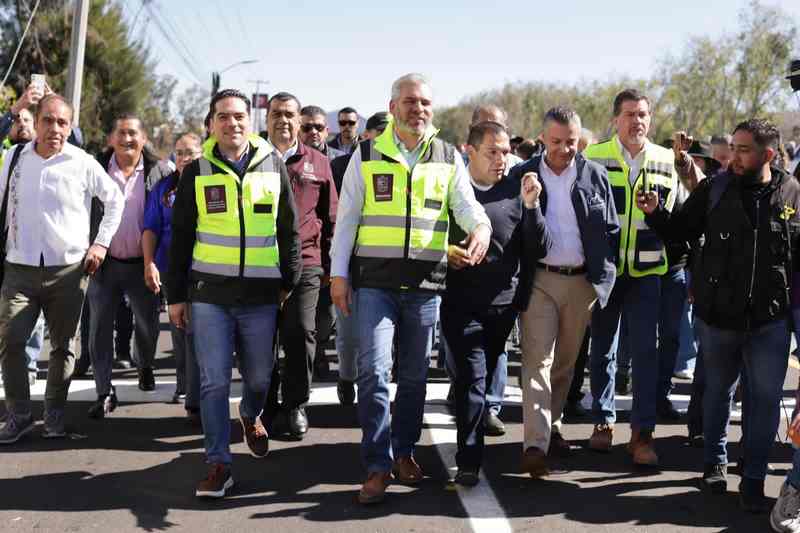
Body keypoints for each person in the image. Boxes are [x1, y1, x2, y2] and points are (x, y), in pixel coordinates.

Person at [331, 73, 491, 504]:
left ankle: (404, 451)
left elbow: (466, 205)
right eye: (409, 102)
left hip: (425, 285)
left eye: (424, 103)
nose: (418, 109)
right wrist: (338, 275)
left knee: (415, 375)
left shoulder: (447, 156)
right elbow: (347, 219)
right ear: (392, 107)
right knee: (373, 371)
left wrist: (480, 227)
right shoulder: (366, 155)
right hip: (375, 284)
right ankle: (377, 464)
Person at [638, 118, 799, 514]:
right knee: (717, 394)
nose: (734, 157)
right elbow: (679, 231)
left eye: (744, 150)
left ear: (768, 154)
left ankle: (754, 478)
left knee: (765, 401)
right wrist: (656, 213)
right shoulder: (714, 188)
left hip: (770, 322)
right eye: (734, 148)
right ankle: (714, 463)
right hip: (718, 318)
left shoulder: (793, 192)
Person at [167, 89, 301, 498]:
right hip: (210, 296)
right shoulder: (197, 171)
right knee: (213, 381)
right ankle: (218, 464)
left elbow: (288, 229)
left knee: (259, 377)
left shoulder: (273, 166)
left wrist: (288, 281)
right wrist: (176, 296)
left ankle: (250, 413)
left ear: (250, 120)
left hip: (261, 297)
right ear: (211, 124)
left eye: (239, 116)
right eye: (223, 117)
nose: (232, 123)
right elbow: (181, 238)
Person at [0, 94, 124, 443]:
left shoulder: (82, 162)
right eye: (48, 120)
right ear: (36, 122)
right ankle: (19, 415)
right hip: (19, 267)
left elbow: (114, 201)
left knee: (62, 347)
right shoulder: (14, 157)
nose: (55, 128)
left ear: (70, 127)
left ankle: (54, 416)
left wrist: (100, 244)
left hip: (69, 271)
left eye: (62, 122)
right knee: (11, 341)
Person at [511, 107, 618, 478]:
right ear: (542, 139)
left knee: (565, 364)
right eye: (556, 141)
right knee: (536, 360)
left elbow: (611, 229)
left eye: (571, 142)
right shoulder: (522, 175)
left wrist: (604, 274)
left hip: (581, 283)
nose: (564, 149)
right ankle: (535, 445)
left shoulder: (595, 175)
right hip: (539, 280)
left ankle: (552, 424)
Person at [582, 89, 678, 466]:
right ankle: (603, 421)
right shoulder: (594, 156)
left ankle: (642, 434)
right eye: (629, 114)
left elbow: (673, 217)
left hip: (647, 271)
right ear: (615, 119)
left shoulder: (665, 159)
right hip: (606, 271)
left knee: (645, 353)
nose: (637, 121)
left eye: (643, 114)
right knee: (602, 348)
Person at [440, 121, 525, 485]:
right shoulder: (452, 190)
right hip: (459, 303)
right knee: (471, 380)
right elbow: (427, 234)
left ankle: (473, 440)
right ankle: (469, 460)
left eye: (506, 152)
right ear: (469, 151)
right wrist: (446, 253)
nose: (501, 159)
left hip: (502, 306)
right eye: (492, 151)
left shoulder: (516, 191)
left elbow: (532, 247)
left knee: (484, 377)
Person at [260, 92, 338, 440]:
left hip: (306, 262)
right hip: (259, 263)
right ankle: (265, 405)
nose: (283, 120)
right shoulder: (253, 159)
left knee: (301, 332)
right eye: (276, 113)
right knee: (261, 338)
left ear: (298, 120)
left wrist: (331, 265)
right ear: (266, 119)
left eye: (290, 114)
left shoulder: (318, 163)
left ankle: (295, 405)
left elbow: (331, 217)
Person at [86, 114, 172, 419]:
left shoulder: (161, 172)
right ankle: (103, 390)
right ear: (111, 139)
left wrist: (158, 261)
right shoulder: (94, 168)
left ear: (144, 139)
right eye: (121, 133)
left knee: (147, 325)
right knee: (98, 328)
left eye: (133, 133)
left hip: (143, 265)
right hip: (104, 264)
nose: (127, 139)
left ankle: (144, 364)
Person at [329, 111, 390, 406]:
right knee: (348, 332)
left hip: (384, 264)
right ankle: (346, 375)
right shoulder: (341, 165)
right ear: (367, 136)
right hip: (350, 261)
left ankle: (376, 383)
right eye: (381, 134)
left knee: (382, 334)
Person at [143, 132, 203, 421]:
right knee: (180, 330)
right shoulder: (163, 189)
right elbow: (151, 228)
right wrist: (149, 263)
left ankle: (198, 392)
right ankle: (185, 386)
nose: (184, 158)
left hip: (206, 269)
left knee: (200, 333)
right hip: (172, 269)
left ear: (201, 154)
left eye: (190, 152)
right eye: (179, 153)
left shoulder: (211, 183)